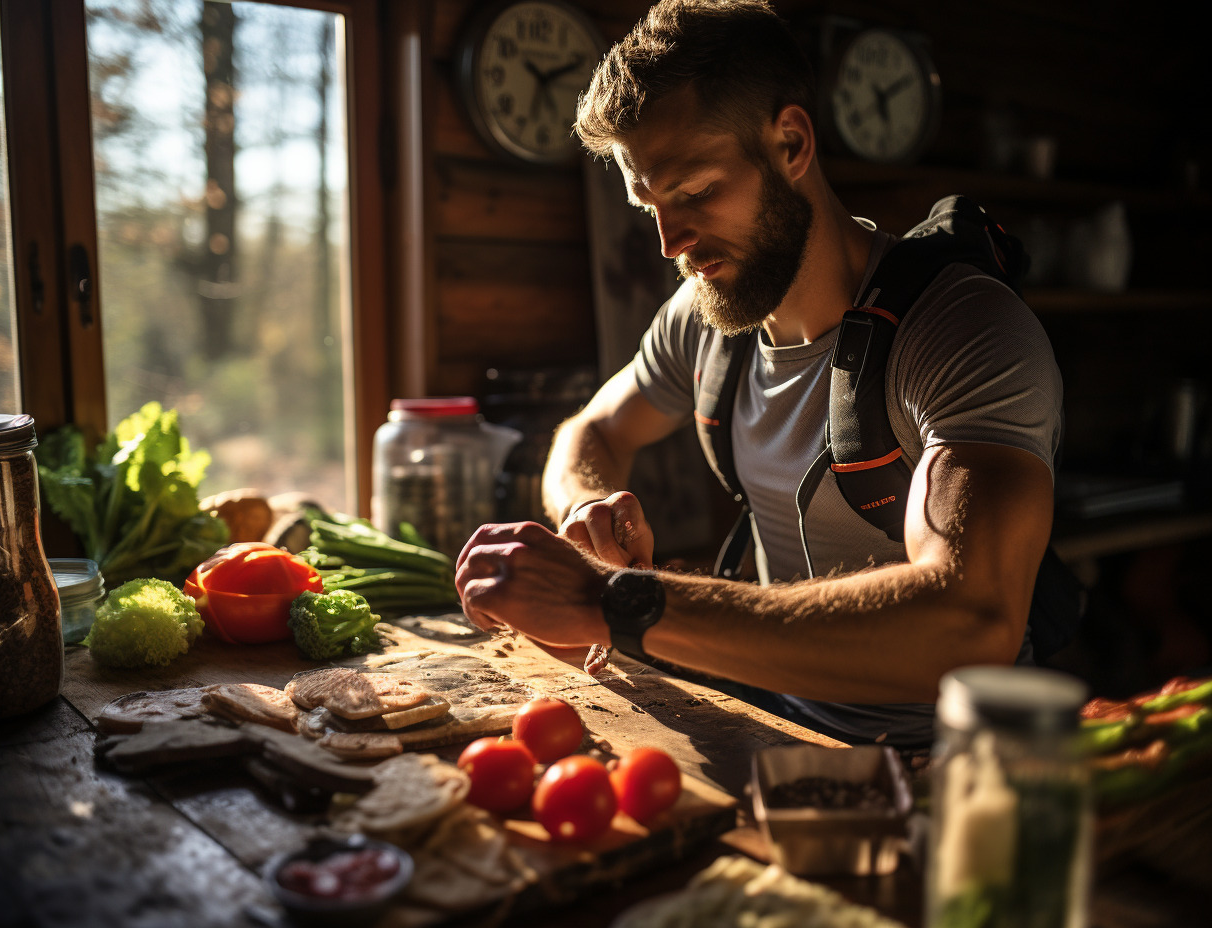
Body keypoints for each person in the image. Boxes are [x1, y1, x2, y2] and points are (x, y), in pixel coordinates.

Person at [455, 0, 1063, 748]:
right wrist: (590, 508)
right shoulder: (707, 314)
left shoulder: (959, 328)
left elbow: (973, 621)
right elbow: (594, 428)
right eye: (649, 205)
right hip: (780, 728)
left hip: (951, 760)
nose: (671, 242)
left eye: (697, 191)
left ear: (791, 143)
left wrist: (618, 600)